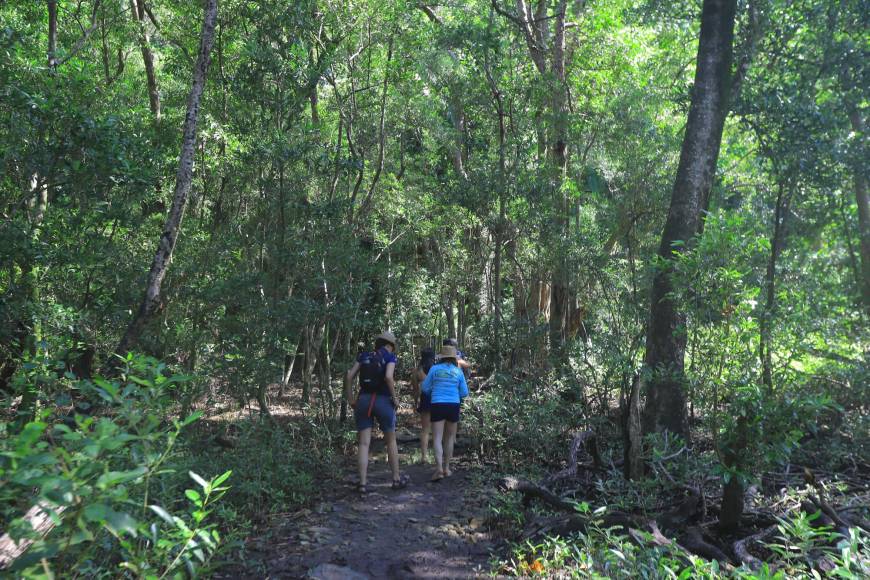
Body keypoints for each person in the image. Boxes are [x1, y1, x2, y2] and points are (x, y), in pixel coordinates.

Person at [344, 331, 410, 494]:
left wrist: (351, 399)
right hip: (383, 401)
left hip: (364, 400)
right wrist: (395, 398)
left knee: (364, 443)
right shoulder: (389, 357)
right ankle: (395, 479)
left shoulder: (364, 356)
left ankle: (363, 484)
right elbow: (388, 377)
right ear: (390, 346)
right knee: (391, 441)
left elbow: (349, 376)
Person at [421, 344, 469, 481]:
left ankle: (439, 470)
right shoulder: (458, 371)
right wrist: (454, 393)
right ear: (454, 358)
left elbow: (425, 388)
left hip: (437, 404)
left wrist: (435, 392)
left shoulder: (434, 369)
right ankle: (447, 468)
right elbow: (464, 392)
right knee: (449, 438)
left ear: (441, 357)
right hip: (453, 405)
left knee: (437, 438)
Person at [410, 347, 437, 463]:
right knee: (437, 430)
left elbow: (415, 390)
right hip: (437, 399)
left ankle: (424, 457)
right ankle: (438, 457)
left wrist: (415, 403)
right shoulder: (436, 369)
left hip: (425, 400)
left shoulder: (417, 371)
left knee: (425, 430)